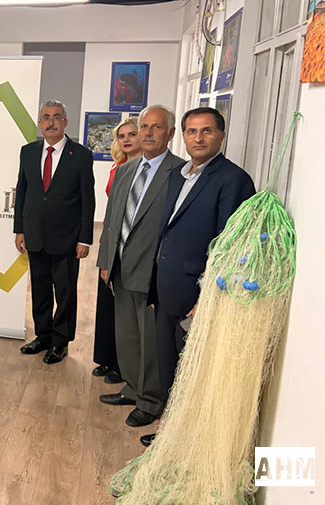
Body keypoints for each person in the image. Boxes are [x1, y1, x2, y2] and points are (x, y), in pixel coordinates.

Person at [139, 107, 255, 447]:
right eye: (192, 131)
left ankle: (186, 442)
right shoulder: (179, 175)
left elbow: (230, 246)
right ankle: (170, 435)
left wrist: (207, 296)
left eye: (206, 131)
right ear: (183, 136)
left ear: (221, 135)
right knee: (169, 366)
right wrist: (155, 285)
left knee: (193, 372)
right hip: (167, 288)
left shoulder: (233, 180)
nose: (198, 138)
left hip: (197, 296)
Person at [96, 105, 184, 428]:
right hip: (120, 268)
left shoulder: (180, 173)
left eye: (156, 127)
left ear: (170, 134)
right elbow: (112, 220)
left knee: (150, 342)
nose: (148, 133)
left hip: (152, 273)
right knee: (127, 336)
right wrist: (105, 261)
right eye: (144, 126)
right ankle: (132, 388)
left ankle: (150, 401)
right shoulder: (125, 170)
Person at [14, 99, 95, 364]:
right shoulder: (28, 152)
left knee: (65, 292)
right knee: (40, 290)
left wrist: (85, 239)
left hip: (67, 238)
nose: (51, 122)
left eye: (56, 117)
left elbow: (88, 200)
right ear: (40, 122)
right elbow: (22, 191)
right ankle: (43, 335)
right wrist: (19, 230)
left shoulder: (80, 155)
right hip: (35, 234)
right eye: (46, 117)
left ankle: (60, 341)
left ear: (65, 122)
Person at [92, 117, 141, 384]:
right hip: (110, 239)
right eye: (121, 136)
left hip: (131, 243)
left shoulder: (146, 170)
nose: (126, 140)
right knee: (107, 303)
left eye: (131, 134)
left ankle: (123, 367)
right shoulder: (117, 166)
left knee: (125, 310)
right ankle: (106, 358)